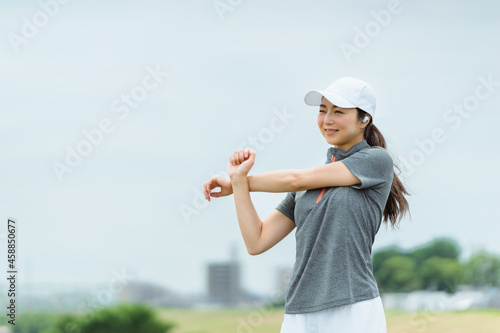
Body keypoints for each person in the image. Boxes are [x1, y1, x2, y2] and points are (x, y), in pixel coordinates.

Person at [203, 77, 410, 333]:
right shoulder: (305, 190)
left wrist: (240, 181)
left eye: (338, 112)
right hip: (298, 313)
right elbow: (256, 242)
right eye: (322, 110)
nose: (327, 119)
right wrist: (238, 185)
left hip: (352, 307)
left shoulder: (376, 160)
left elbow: (296, 178)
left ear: (364, 119)